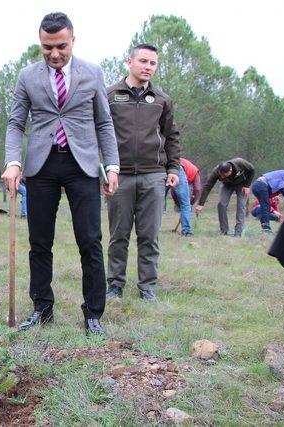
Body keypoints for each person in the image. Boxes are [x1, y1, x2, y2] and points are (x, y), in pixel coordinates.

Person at [2, 12, 119, 336]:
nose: (54, 54)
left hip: (82, 166)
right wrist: (13, 161)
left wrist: (111, 166)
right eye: (47, 47)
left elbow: (104, 123)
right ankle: (42, 308)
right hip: (42, 166)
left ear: (73, 41)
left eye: (61, 46)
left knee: (90, 241)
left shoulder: (93, 73)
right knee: (39, 242)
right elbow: (15, 123)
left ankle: (93, 313)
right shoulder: (27, 76)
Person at [105, 43, 181, 303]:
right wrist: (104, 169)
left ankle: (147, 287)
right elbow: (100, 133)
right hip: (119, 176)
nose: (148, 67)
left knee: (149, 236)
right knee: (118, 235)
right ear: (129, 62)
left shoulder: (161, 100)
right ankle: (114, 285)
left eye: (153, 63)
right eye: (143, 61)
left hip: (153, 176)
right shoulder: (110, 95)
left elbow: (172, 137)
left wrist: (173, 168)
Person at [196, 158, 255, 237]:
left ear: (230, 171)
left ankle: (238, 232)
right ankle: (224, 231)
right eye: (221, 175)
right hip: (227, 185)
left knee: (241, 206)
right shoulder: (216, 172)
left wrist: (247, 186)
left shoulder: (240, 162)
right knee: (221, 204)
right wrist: (201, 204)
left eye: (224, 175)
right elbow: (207, 186)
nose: (222, 176)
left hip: (242, 184)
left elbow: (252, 170)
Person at [171, 157, 202, 236]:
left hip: (168, 166)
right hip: (177, 168)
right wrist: (187, 204)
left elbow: (197, 190)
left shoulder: (194, 171)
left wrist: (190, 202)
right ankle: (187, 232)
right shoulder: (193, 171)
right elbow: (198, 189)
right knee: (185, 204)